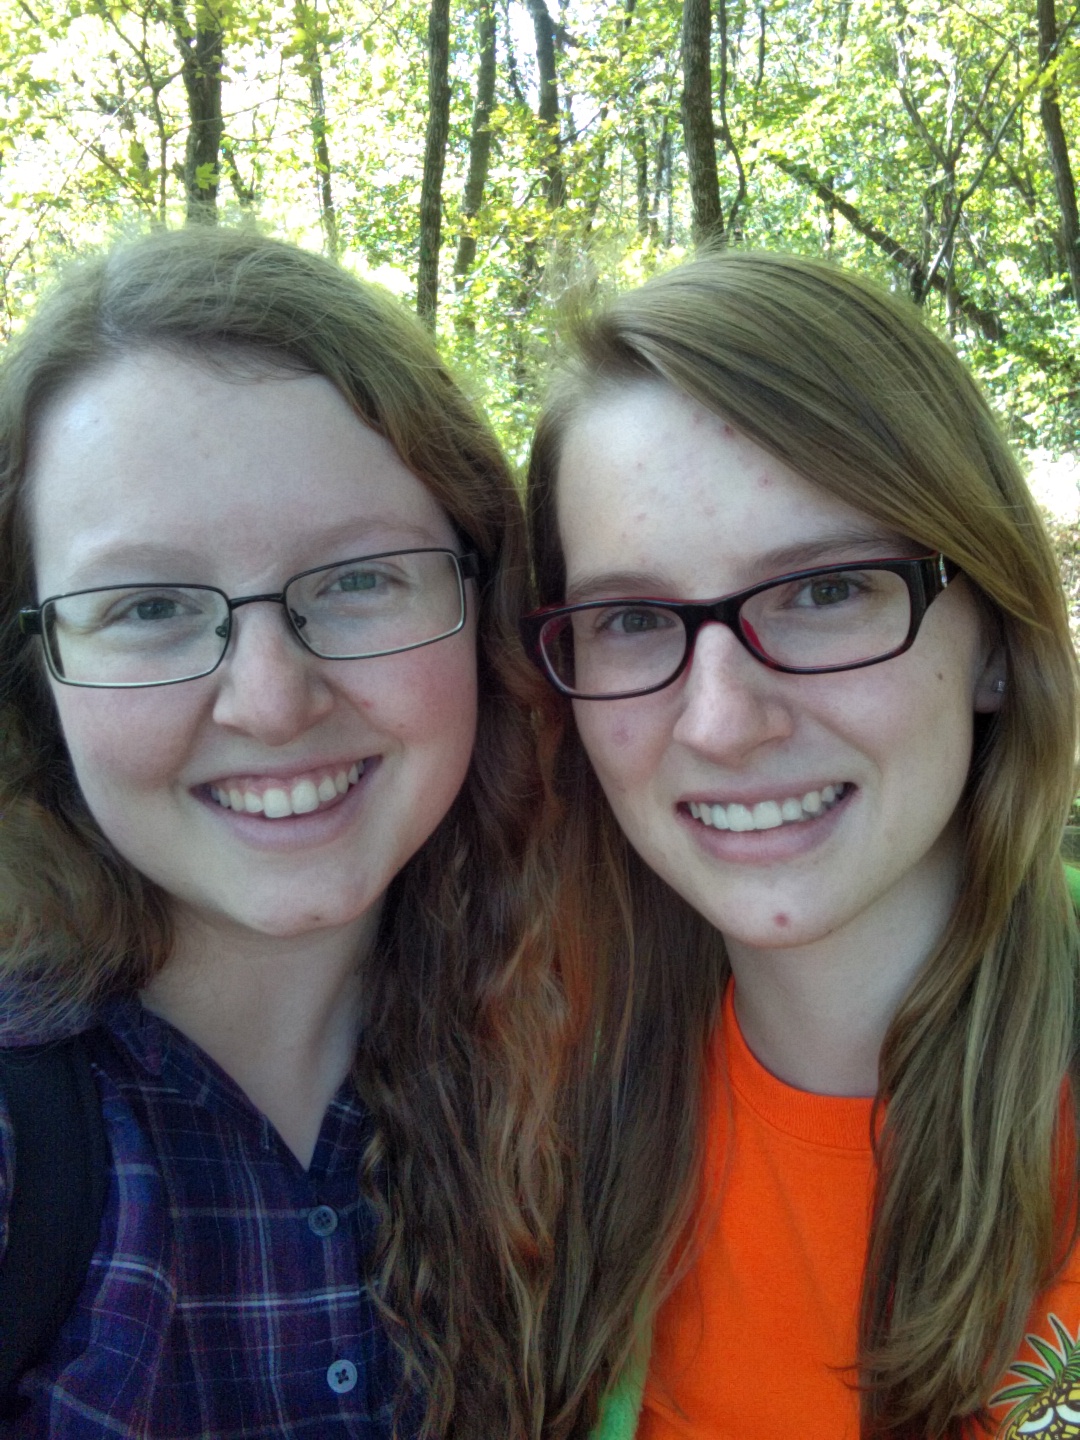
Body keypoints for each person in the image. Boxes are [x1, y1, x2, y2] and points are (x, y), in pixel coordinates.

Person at [0, 226, 565, 1439]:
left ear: (482, 608)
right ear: (35, 669)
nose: (270, 700)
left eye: (358, 579)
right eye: (148, 606)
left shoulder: (600, 1068)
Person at [523, 251, 1080, 1439]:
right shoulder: (528, 1107)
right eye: (633, 619)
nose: (723, 722)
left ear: (994, 637)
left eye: (825, 592)